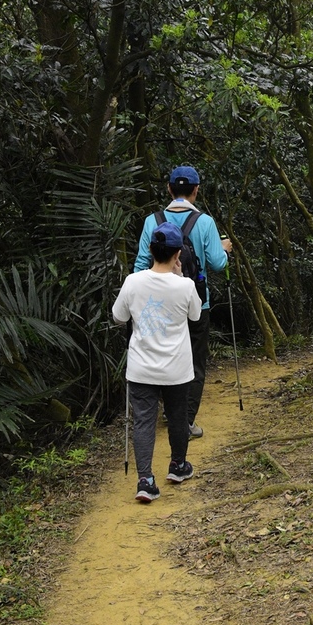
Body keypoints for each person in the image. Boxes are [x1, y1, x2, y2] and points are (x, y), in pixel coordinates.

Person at [134, 166, 232, 438]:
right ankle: (185, 421)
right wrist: (224, 250)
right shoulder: (205, 222)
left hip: (158, 307)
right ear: (196, 190)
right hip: (196, 304)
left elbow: (141, 264)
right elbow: (216, 262)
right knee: (194, 362)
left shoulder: (152, 221)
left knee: (165, 356)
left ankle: (169, 412)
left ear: (168, 189)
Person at [113, 222, 202, 502]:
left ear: (151, 250)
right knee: (177, 416)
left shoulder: (133, 281)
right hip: (176, 368)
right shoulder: (185, 286)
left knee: (143, 421)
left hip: (142, 367)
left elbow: (119, 317)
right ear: (178, 254)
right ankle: (178, 466)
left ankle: (146, 481)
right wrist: (179, 276)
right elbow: (196, 316)